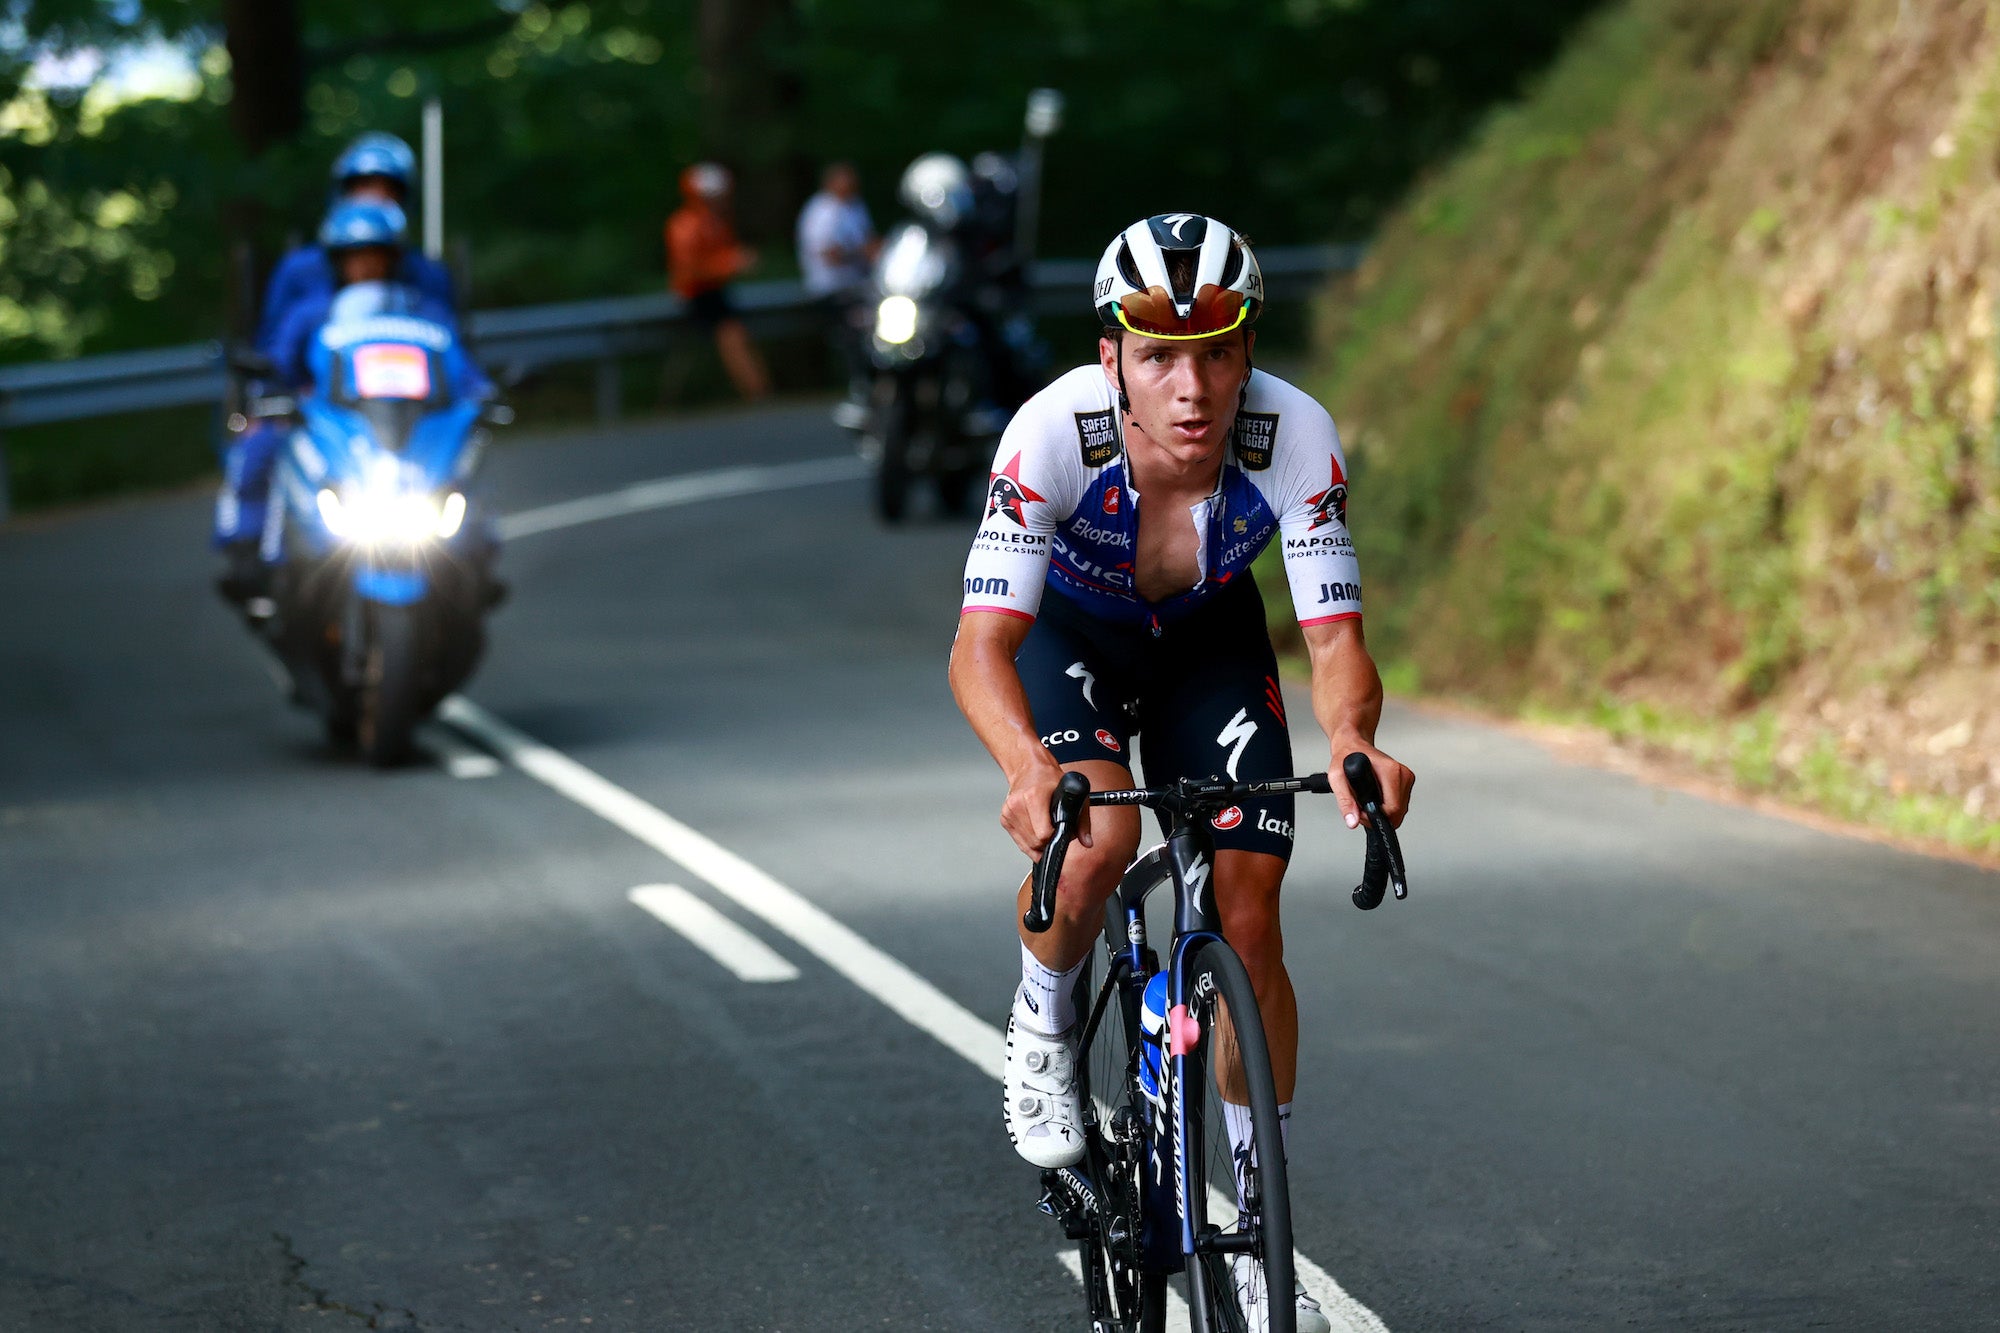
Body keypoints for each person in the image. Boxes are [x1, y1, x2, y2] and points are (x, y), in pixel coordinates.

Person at [947, 215, 1416, 1333]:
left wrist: (1350, 739)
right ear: (1110, 354)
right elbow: (979, 644)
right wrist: (1024, 765)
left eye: (1215, 349)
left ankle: (1261, 1223)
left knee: (1250, 913)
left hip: (1207, 641)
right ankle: (1044, 1016)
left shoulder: (1292, 434)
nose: (1191, 385)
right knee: (1097, 843)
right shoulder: (1050, 433)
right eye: (1158, 353)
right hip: (1074, 637)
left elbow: (1334, 634)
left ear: (1248, 348)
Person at [216, 133, 455, 592]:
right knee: (259, 445)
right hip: (317, 405)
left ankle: (473, 553)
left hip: (403, 408)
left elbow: (448, 348)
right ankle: (250, 552)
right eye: (363, 186)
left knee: (459, 454)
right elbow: (275, 347)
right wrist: (278, 391)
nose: (374, 196)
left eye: (387, 188)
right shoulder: (303, 276)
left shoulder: (423, 279)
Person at [665, 162, 770, 401]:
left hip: (716, 291)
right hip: (696, 294)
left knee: (737, 335)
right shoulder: (686, 225)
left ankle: (759, 390)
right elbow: (689, 270)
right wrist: (731, 263)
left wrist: (733, 262)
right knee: (732, 336)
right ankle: (757, 392)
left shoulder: (715, 222)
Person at [795, 162, 877, 427]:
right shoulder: (822, 211)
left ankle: (877, 385)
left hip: (859, 286)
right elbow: (828, 254)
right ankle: (861, 388)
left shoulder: (854, 206)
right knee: (855, 333)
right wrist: (861, 253)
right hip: (831, 289)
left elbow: (871, 242)